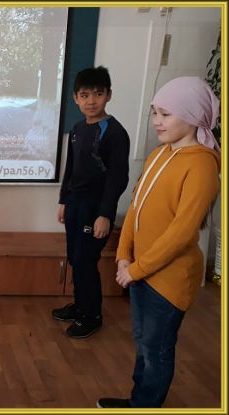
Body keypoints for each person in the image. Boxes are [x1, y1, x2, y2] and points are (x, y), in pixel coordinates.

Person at [97, 76, 220, 408]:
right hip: (140, 270)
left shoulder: (202, 165)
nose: (157, 121)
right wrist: (124, 256)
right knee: (143, 341)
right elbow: (136, 207)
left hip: (167, 279)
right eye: (154, 113)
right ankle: (138, 401)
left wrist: (136, 270)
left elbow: (181, 233)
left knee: (156, 349)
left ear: (193, 115)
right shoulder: (158, 154)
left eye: (166, 114)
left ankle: (144, 405)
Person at [53, 66, 130, 338]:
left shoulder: (114, 132)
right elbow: (71, 168)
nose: (91, 101)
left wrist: (105, 214)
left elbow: (118, 178)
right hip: (75, 204)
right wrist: (64, 200)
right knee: (76, 257)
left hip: (95, 208)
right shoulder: (77, 128)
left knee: (86, 260)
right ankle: (80, 306)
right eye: (85, 95)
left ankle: (92, 315)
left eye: (98, 94)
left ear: (108, 95)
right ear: (76, 98)